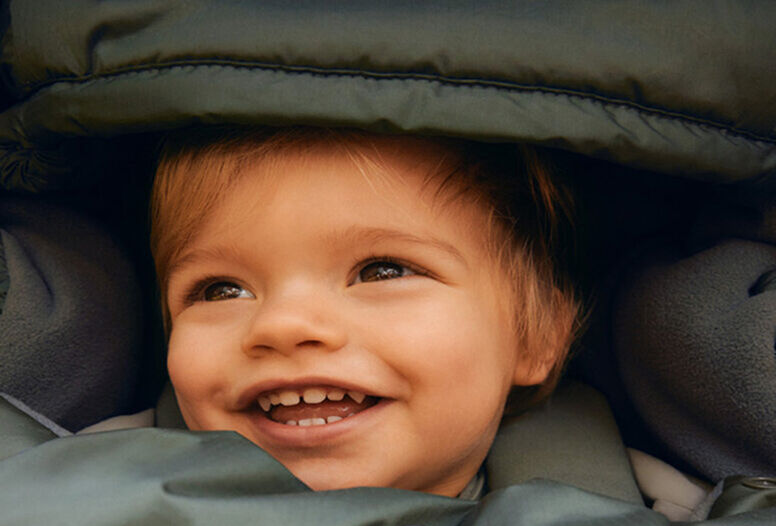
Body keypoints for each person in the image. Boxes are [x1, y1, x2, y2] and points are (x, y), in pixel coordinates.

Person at [150, 127, 581, 497]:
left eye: (381, 272)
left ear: (535, 336)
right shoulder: (92, 507)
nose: (282, 324)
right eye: (222, 291)